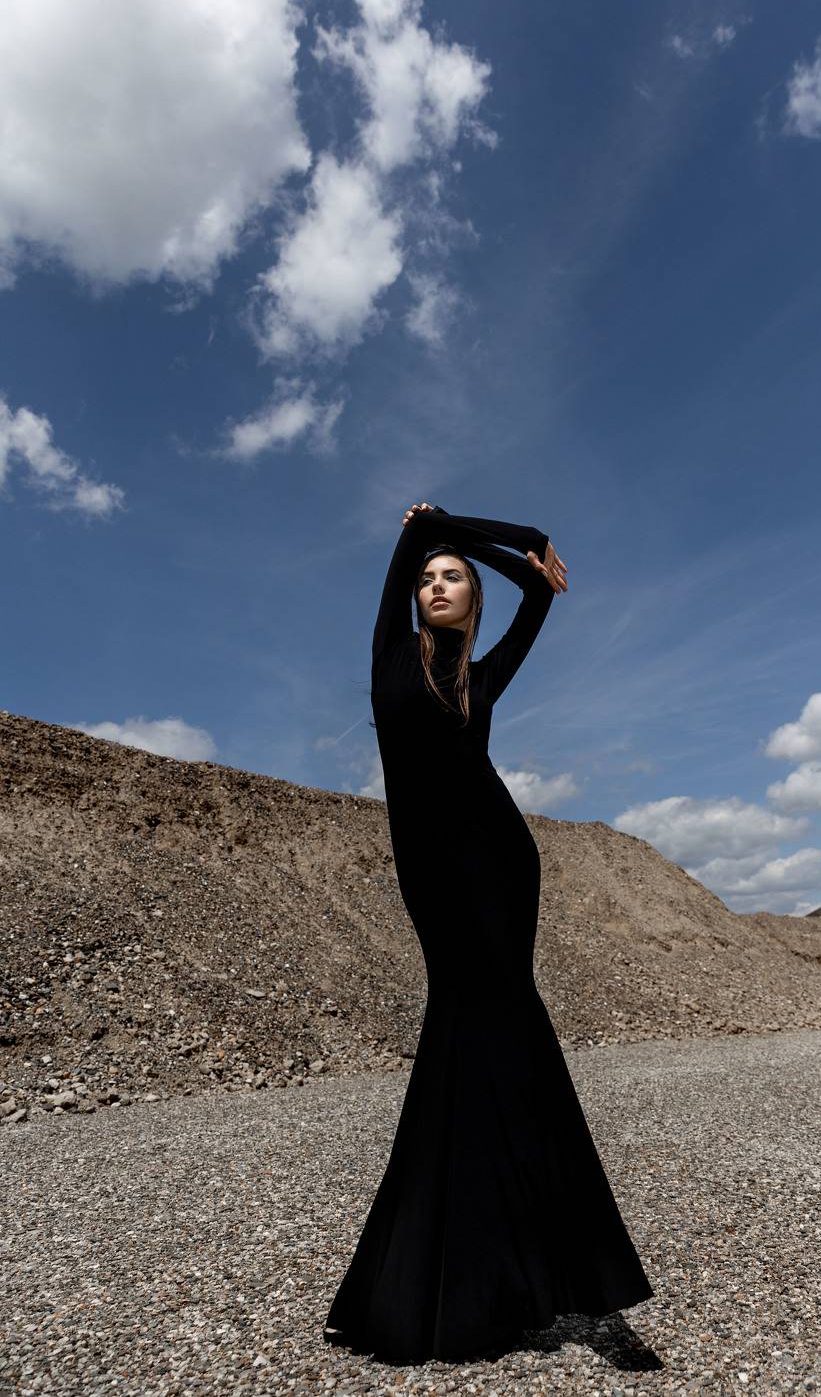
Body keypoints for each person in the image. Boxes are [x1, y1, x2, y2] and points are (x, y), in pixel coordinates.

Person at [323, 501, 653, 1363]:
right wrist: (506, 536)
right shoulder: (390, 653)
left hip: (502, 866)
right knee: (473, 1037)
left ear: (472, 600)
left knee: (503, 1044)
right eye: (429, 580)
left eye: (453, 579)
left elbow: (538, 597)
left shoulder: (482, 675)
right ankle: (492, 1275)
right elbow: (417, 530)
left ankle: (507, 1278)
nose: (436, 586)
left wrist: (520, 555)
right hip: (435, 878)